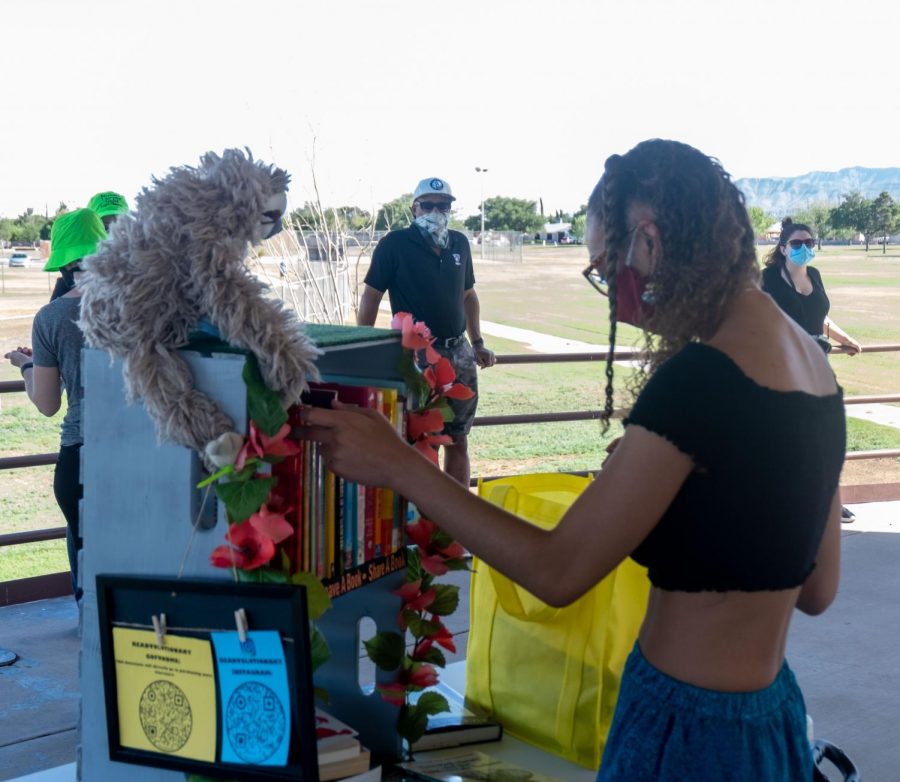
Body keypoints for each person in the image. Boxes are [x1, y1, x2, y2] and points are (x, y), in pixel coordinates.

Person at [304, 140, 845, 781]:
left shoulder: (701, 379)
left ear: (648, 240)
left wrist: (401, 465)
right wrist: (692, 501)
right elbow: (816, 589)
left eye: (606, 269)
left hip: (684, 731)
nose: (616, 301)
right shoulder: (813, 369)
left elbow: (558, 573)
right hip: (770, 722)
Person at [357, 177, 495, 487]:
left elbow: (469, 296)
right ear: (414, 210)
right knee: (422, 440)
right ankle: (419, 520)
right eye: (428, 205)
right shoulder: (394, 244)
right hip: (416, 356)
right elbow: (371, 296)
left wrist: (478, 342)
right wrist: (362, 346)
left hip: (459, 352)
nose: (436, 211)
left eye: (443, 205)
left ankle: (454, 523)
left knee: (458, 439)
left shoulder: (459, 242)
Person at [6, 209, 108, 601]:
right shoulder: (143, 308)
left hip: (81, 455)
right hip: (145, 450)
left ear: (64, 262)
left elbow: (47, 403)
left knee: (90, 577)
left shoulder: (52, 317)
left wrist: (27, 365)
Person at [762, 218, 861, 523]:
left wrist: (846, 341)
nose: (804, 248)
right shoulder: (767, 278)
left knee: (826, 437)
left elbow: (821, 318)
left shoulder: (814, 275)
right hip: (785, 367)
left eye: (809, 243)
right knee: (789, 439)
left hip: (819, 365)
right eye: (796, 243)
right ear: (783, 248)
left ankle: (830, 501)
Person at [49, 191, 128, 302]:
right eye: (105, 227)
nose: (113, 234)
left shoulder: (143, 269)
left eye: (121, 227)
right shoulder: (70, 284)